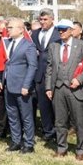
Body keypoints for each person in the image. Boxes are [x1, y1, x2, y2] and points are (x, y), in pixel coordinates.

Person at [46, 19, 83, 160]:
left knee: (79, 121)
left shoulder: (82, 45)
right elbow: (49, 68)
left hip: (76, 89)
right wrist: (48, 87)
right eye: (59, 29)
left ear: (71, 31)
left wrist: (79, 79)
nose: (61, 32)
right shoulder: (53, 46)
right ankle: (61, 148)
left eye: (64, 29)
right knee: (60, 121)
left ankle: (80, 150)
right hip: (59, 88)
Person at [0, 18, 38, 153]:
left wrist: (26, 85)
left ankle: (29, 143)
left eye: (10, 27)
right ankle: (16, 141)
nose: (7, 29)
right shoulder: (6, 43)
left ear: (21, 30)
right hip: (8, 85)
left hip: (22, 87)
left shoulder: (28, 45)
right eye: (7, 27)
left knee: (26, 116)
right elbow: (0, 63)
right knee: (12, 115)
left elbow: (32, 67)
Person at [31, 10, 58, 146]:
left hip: (55, 75)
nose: (42, 22)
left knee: (56, 107)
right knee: (43, 106)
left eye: (45, 19)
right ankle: (48, 132)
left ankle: (58, 132)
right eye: (41, 19)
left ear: (52, 19)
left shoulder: (58, 33)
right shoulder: (35, 34)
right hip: (39, 75)